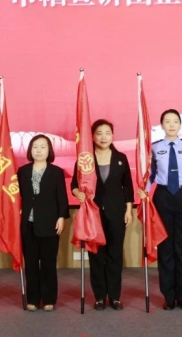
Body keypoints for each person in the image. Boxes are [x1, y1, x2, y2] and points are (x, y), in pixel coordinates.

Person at [138, 109, 182, 311]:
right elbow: (149, 174)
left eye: (175, 121)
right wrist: (144, 191)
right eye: (167, 121)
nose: (172, 125)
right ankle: (168, 296)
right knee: (165, 249)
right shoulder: (154, 148)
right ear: (162, 125)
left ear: (180, 125)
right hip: (163, 197)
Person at [71, 119, 134, 311]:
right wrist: (78, 193)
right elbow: (74, 184)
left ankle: (114, 296)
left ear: (112, 135)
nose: (103, 137)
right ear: (92, 136)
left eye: (107, 133)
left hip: (117, 212)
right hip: (93, 213)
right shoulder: (85, 160)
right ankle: (99, 296)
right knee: (96, 255)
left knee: (115, 254)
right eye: (99, 133)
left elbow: (128, 187)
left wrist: (129, 210)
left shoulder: (121, 158)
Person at [18, 134, 70, 312]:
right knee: (31, 264)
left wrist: (61, 217)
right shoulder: (22, 171)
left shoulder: (56, 172)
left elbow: (62, 197)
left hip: (50, 223)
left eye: (43, 147)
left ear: (49, 150)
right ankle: (33, 298)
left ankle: (49, 299)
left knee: (48, 263)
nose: (39, 150)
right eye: (35, 147)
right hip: (28, 224)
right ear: (30, 150)